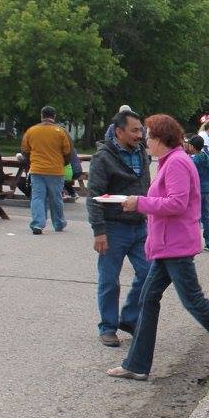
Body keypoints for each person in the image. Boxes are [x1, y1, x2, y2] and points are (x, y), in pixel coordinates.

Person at [107, 114, 209, 380]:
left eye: (148, 136)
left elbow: (176, 204)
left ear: (160, 138)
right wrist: (142, 203)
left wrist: (139, 203)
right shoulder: (172, 161)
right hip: (169, 246)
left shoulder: (176, 162)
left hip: (175, 246)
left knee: (194, 302)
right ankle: (136, 364)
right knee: (148, 300)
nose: (145, 141)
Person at [88, 110, 152, 347]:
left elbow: (146, 186)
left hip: (139, 226)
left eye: (141, 130)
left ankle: (130, 318)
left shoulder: (142, 154)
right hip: (113, 228)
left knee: (149, 274)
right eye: (135, 130)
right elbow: (94, 195)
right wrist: (99, 231)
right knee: (109, 280)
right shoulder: (103, 158)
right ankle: (108, 326)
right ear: (119, 132)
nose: (140, 134)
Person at [21, 105, 73, 235]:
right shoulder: (60, 131)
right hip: (55, 170)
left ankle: (38, 224)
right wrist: (63, 163)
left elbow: (25, 151)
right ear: (54, 116)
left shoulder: (31, 131)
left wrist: (31, 162)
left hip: (37, 169)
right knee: (56, 198)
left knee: (38, 197)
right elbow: (68, 152)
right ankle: (59, 223)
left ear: (41, 115)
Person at [187, 135, 209, 251]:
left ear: (193, 147)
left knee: (195, 217)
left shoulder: (195, 160)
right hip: (206, 190)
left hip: (197, 191)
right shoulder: (206, 156)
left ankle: (194, 242)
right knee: (206, 216)